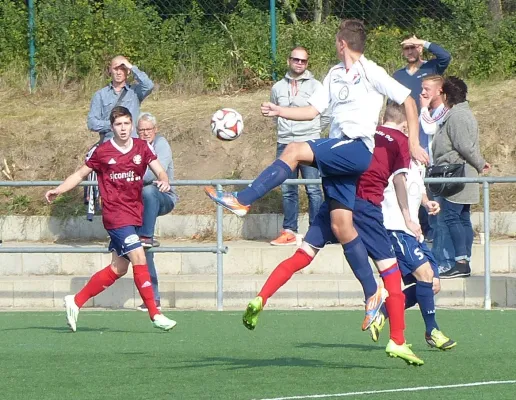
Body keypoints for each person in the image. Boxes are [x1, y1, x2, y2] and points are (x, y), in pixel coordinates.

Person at [205, 19, 428, 365]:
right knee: (341, 223)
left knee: (294, 150)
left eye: (336, 41)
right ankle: (375, 298)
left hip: (355, 148)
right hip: (339, 155)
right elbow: (313, 110)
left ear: (342, 42)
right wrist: (280, 111)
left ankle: (243, 200)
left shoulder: (372, 71)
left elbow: (409, 100)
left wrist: (413, 141)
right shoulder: (333, 74)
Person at [46, 106, 176, 332]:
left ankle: (75, 301)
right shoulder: (103, 152)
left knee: (119, 267)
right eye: (118, 124)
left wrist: (164, 180)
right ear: (112, 126)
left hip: (134, 213)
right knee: (139, 255)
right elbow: (79, 174)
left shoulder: (142, 147)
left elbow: (160, 170)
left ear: (131, 125)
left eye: (126, 123)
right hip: (115, 215)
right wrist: (59, 190)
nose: (123, 128)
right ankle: (155, 314)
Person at [376, 155, 457, 350]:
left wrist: (427, 202)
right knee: (426, 275)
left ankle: (383, 311)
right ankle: (432, 331)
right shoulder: (389, 157)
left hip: (414, 232)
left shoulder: (417, 162)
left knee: (433, 284)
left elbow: (418, 189)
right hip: (396, 229)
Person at [432, 77, 490, 279]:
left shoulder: (458, 116)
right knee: (462, 216)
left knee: (452, 216)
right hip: (462, 173)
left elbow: (465, 146)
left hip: (458, 174)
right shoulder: (461, 114)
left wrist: (481, 163)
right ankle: (463, 261)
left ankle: (461, 262)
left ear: (446, 96)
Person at [269, 46, 324, 246]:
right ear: (288, 60)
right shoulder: (277, 88)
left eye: (303, 61)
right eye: (296, 59)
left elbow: (324, 114)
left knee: (313, 189)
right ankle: (289, 231)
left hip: (309, 143)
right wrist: (285, 131)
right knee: (287, 189)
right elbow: (276, 113)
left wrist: (313, 132)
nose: (299, 63)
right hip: (285, 143)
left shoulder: (317, 86)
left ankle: (317, 231)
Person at [136, 112, 178, 311]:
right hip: (139, 204)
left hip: (163, 197)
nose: (145, 133)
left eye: (148, 129)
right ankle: (152, 299)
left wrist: (130, 175)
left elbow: (152, 171)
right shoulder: (135, 146)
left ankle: (146, 235)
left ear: (155, 129)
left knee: (149, 189)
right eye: (141, 130)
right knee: (143, 252)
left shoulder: (161, 144)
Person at [87, 55, 154, 142]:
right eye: (115, 69)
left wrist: (130, 66)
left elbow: (149, 85)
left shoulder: (135, 92)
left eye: (122, 69)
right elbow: (92, 123)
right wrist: (114, 124)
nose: (119, 72)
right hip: (109, 145)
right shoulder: (100, 95)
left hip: (132, 144)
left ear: (128, 71)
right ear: (110, 70)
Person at [418, 75, 449, 242]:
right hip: (423, 167)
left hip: (436, 167)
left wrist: (423, 108)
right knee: (427, 208)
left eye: (427, 89)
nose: (423, 93)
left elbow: (430, 128)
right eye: (422, 89)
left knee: (437, 209)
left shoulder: (443, 110)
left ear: (440, 90)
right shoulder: (429, 111)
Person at [393, 35, 451, 110]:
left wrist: (423, 42)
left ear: (420, 49)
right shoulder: (398, 75)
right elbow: (391, 101)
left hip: (429, 118)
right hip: (406, 120)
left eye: (413, 47)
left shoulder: (431, 67)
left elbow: (445, 57)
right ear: (403, 52)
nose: (410, 52)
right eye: (406, 48)